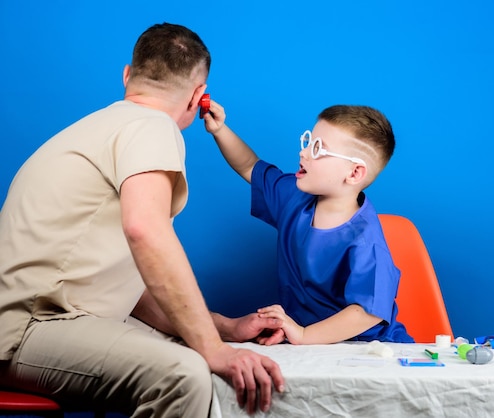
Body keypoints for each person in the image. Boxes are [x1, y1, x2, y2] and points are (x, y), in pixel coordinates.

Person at [0, 23, 286, 417]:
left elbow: (128, 287)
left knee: (184, 346)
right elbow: (146, 231)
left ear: (127, 75)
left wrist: (224, 329)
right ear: (198, 98)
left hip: (43, 321)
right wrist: (214, 349)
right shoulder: (152, 126)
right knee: (184, 374)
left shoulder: (99, 126)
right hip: (27, 330)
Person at [203, 100, 414, 345]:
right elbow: (250, 166)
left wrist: (304, 335)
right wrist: (220, 130)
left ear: (354, 173)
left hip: (367, 348)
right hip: (309, 344)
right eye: (307, 142)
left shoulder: (366, 241)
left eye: (318, 148)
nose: (303, 152)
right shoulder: (294, 196)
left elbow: (366, 313)